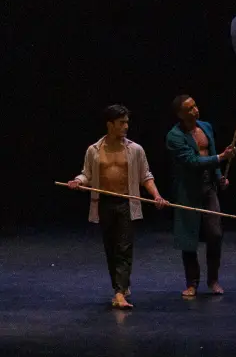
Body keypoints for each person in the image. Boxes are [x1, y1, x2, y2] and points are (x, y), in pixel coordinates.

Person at [67, 104, 169, 309]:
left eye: (127, 122)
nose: (126, 126)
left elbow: (145, 176)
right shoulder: (94, 150)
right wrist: (78, 181)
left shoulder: (135, 150)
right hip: (104, 203)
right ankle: (120, 285)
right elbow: (86, 174)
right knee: (111, 248)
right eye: (121, 123)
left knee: (124, 247)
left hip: (126, 203)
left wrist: (157, 196)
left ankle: (119, 292)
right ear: (110, 124)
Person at [165, 94, 236, 298]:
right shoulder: (174, 136)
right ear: (180, 114)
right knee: (189, 238)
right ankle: (192, 283)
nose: (195, 110)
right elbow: (192, 161)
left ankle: (213, 280)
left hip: (208, 188)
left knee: (215, 234)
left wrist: (220, 177)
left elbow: (211, 154)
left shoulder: (206, 127)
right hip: (187, 190)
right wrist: (221, 157)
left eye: (195, 106)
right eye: (189, 108)